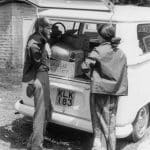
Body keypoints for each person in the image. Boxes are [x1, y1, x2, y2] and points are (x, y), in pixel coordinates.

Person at [81, 24, 128, 150]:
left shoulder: (98, 50)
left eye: (98, 35)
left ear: (102, 37)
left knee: (98, 124)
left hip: (99, 92)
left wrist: (92, 77)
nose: (97, 37)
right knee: (110, 125)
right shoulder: (120, 52)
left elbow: (85, 67)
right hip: (115, 93)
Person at [22, 17, 53, 150]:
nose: (51, 31)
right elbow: (35, 61)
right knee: (40, 112)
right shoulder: (35, 42)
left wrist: (45, 44)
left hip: (42, 76)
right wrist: (46, 48)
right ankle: (36, 146)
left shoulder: (40, 40)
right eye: (48, 28)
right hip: (39, 78)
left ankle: (33, 142)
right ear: (41, 28)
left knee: (46, 109)